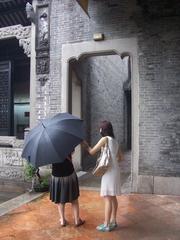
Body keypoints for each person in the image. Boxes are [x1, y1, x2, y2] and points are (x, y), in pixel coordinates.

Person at [83, 121, 123, 232]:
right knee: (113, 196)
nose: (99, 130)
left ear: (102, 130)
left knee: (107, 198)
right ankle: (113, 221)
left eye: (100, 128)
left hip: (108, 171)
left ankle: (106, 225)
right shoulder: (115, 141)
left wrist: (85, 145)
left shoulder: (104, 139)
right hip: (115, 170)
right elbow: (121, 158)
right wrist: (112, 159)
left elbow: (91, 152)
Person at [50, 151, 85, 227]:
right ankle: (77, 220)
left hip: (56, 174)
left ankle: (62, 220)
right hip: (69, 173)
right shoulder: (66, 140)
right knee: (74, 199)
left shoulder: (48, 146)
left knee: (60, 200)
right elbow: (72, 152)